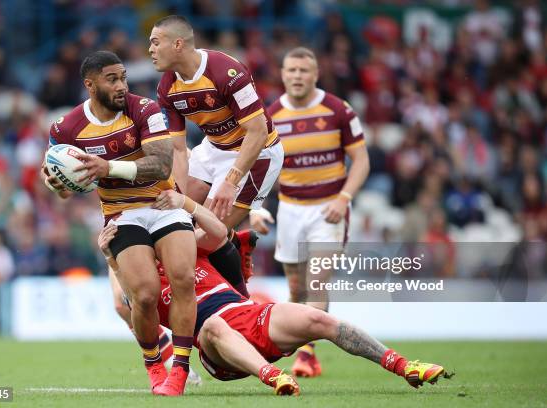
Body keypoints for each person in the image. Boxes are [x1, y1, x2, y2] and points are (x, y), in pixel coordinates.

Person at [98, 189, 450, 396]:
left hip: (248, 315)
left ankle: (404, 366)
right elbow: (124, 301)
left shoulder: (188, 250)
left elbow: (220, 231)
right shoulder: (141, 281)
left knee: (317, 318)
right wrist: (111, 257)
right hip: (213, 344)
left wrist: (186, 204)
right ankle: (271, 376)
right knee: (212, 328)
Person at [42, 50, 197, 396]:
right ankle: (155, 364)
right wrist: (56, 183)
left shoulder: (144, 110)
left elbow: (161, 165)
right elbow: (61, 185)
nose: (121, 86)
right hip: (121, 215)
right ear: (90, 84)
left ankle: (181, 370)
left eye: (123, 77)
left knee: (184, 278)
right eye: (112, 79)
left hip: (163, 204)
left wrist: (107, 168)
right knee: (143, 297)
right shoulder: (65, 128)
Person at [250, 47, 370, 377]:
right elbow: (259, 166)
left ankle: (306, 353)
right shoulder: (272, 115)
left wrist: (343, 198)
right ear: (283, 74)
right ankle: (308, 350)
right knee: (295, 289)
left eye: (304, 70)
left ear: (315, 74)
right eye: (291, 70)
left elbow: (361, 161)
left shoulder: (337, 110)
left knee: (317, 282)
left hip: (328, 209)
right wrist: (255, 208)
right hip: (290, 209)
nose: (297, 76)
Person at [149, 14, 284, 279]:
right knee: (172, 220)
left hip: (256, 155)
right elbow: (178, 149)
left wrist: (231, 180)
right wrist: (177, 201)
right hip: (212, 148)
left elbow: (257, 132)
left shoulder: (226, 71)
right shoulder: (167, 85)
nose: (150, 50)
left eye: (155, 43)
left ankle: (232, 246)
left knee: (204, 237)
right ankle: (234, 241)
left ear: (178, 44)